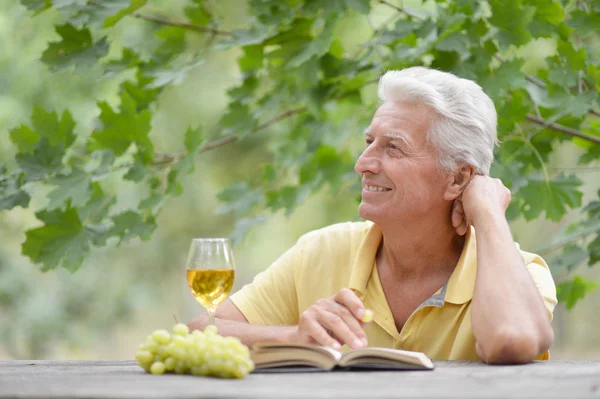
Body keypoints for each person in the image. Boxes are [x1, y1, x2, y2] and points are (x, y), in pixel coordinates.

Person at [188, 67, 557, 364]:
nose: (362, 164)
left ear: (459, 177)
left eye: (393, 148)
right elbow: (197, 334)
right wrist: (294, 337)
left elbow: (512, 341)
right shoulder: (320, 251)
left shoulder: (522, 275)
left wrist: (488, 212)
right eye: (369, 143)